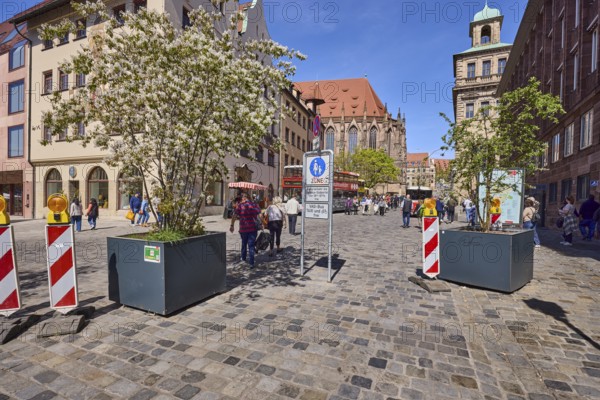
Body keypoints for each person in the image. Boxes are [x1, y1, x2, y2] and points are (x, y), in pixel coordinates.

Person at [230, 192, 261, 268]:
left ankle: (243, 258)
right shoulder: (254, 205)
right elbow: (260, 214)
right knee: (251, 245)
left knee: (244, 243)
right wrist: (262, 224)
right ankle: (251, 262)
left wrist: (232, 225)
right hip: (253, 228)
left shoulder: (240, 206)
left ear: (243, 198)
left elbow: (234, 216)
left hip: (243, 228)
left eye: (241, 198)